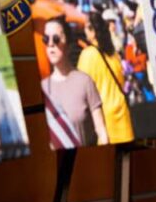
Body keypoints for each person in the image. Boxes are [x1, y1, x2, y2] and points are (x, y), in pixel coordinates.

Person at [41, 16, 108, 146]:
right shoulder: (43, 88)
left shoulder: (85, 82)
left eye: (56, 38)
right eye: (45, 39)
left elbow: (101, 131)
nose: (50, 44)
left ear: (68, 43)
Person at [77, 11, 134, 143]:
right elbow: (121, 81)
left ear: (92, 31)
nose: (84, 31)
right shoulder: (113, 54)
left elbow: (80, 89)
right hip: (122, 113)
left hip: (104, 120)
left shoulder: (87, 55)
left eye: (86, 27)